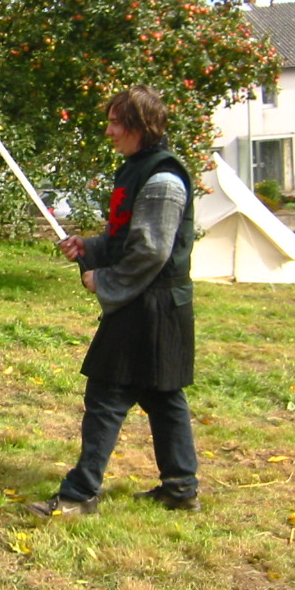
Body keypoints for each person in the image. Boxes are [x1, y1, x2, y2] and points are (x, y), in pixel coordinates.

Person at [27, 85, 200, 518]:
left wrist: (103, 280)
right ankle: (180, 488)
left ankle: (80, 493)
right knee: (162, 396)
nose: (108, 131)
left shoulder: (162, 178)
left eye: (116, 122)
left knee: (107, 394)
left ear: (141, 126)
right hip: (149, 304)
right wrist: (89, 247)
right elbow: (126, 238)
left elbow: (152, 252)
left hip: (153, 305)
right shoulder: (136, 169)